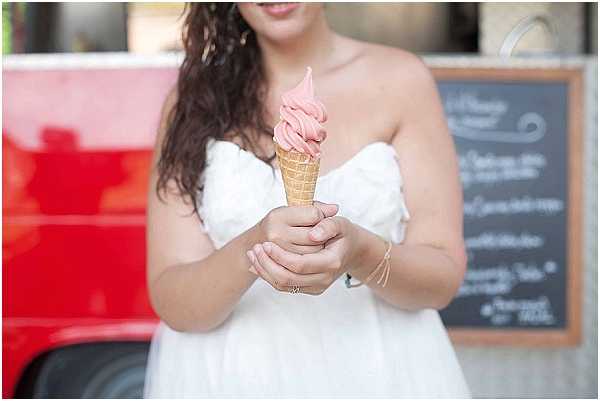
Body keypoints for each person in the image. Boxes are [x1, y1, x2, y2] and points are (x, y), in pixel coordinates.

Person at [143, 2, 471, 398]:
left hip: (380, 373)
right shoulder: (192, 102)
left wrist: (361, 253)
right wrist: (254, 246)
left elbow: (441, 280)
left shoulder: (401, 80)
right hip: (232, 378)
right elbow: (175, 303)